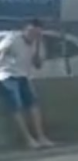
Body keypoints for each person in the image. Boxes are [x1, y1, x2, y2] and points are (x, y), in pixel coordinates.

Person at [0, 19, 54, 149]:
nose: (33, 35)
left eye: (37, 33)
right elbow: (1, 52)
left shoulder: (38, 43)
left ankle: (41, 137)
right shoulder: (13, 38)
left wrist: (36, 48)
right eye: (31, 32)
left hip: (24, 76)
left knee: (33, 104)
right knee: (16, 105)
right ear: (26, 29)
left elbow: (38, 65)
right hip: (7, 75)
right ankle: (28, 139)